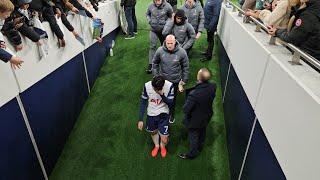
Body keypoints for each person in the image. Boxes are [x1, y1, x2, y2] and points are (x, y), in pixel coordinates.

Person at [179, 68, 216, 159]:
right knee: (203, 130)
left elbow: (185, 109)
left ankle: (192, 154)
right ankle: (200, 146)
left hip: (195, 119)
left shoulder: (194, 94)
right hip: (207, 115)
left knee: (193, 136)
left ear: (199, 78)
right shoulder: (213, 86)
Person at [153, 35, 189, 124]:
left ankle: (171, 114)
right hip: (162, 81)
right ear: (165, 42)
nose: (169, 45)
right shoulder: (160, 50)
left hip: (175, 81)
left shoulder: (182, 52)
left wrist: (184, 80)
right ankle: (161, 112)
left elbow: (186, 67)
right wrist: (156, 76)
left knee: (172, 99)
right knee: (161, 96)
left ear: (175, 42)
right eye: (168, 43)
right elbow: (155, 63)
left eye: (171, 43)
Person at [138, 76, 175, 158]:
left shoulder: (170, 86)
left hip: (164, 114)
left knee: (165, 139)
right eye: (155, 89)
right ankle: (157, 146)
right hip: (151, 114)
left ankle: (163, 146)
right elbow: (143, 102)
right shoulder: (146, 86)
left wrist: (162, 95)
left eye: (158, 89)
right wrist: (140, 119)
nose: (156, 90)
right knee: (153, 132)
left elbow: (171, 103)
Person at [146, 0, 173, 74]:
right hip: (153, 30)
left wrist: (167, 26)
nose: (158, 1)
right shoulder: (150, 5)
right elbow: (147, 14)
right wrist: (149, 21)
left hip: (163, 31)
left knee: (164, 46)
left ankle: (164, 62)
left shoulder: (168, 6)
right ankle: (151, 64)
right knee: (152, 46)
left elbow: (171, 17)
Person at [0, 0, 24, 69]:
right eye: (7, 14)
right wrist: (11, 58)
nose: (9, 16)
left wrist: (12, 55)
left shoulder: (1, 19)